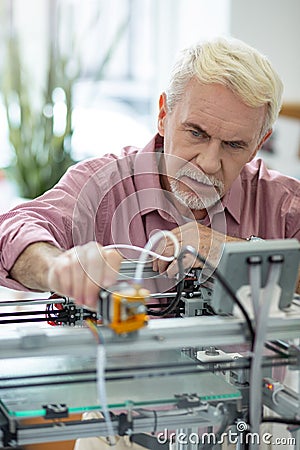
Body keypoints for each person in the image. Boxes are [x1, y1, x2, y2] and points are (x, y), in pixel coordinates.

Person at [0, 36, 299, 449]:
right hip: (120, 433)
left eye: (234, 145)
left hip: (251, 430)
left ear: (260, 140)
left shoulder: (281, 203)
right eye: (196, 133)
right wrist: (55, 266)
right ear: (163, 115)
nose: (210, 163)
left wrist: (228, 250)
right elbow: (15, 228)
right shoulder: (103, 187)